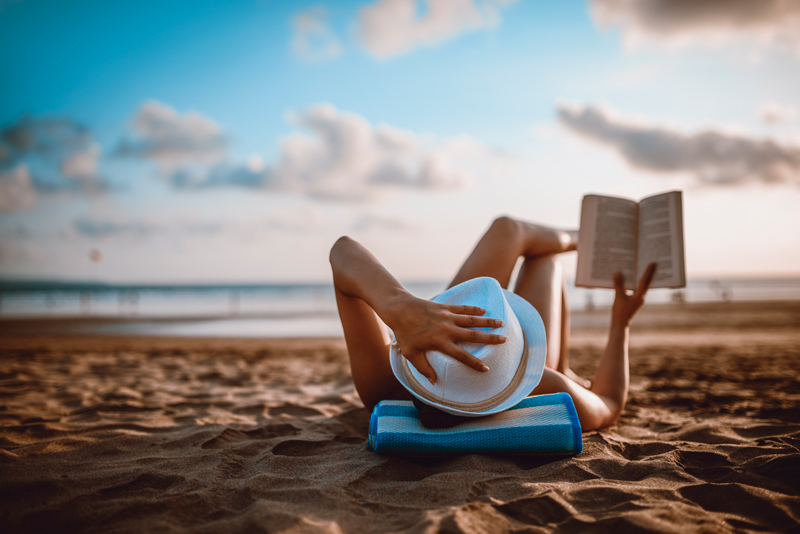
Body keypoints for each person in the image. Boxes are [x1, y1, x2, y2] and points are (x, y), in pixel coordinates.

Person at [329, 216, 656, 431]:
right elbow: (610, 401)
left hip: (459, 361)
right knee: (544, 260)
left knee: (508, 230)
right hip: (541, 376)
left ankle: (584, 238)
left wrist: (398, 305)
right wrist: (621, 322)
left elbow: (342, 251)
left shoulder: (386, 387)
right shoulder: (545, 388)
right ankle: (586, 239)